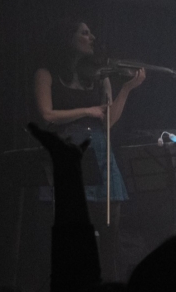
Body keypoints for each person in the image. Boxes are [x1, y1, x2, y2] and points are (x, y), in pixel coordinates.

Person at [32, 20, 145, 280]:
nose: (92, 37)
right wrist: (86, 111)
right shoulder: (46, 73)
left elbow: (108, 121)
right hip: (66, 153)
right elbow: (47, 115)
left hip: (100, 150)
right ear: (67, 38)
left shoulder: (99, 76)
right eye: (85, 33)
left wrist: (126, 89)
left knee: (109, 232)